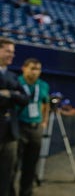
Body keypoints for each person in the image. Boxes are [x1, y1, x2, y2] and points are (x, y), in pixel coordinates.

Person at [15, 58, 50, 196]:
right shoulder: (16, 82)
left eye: (38, 69)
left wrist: (44, 121)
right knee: (13, 163)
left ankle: (26, 192)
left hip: (35, 127)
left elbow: (45, 103)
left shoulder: (43, 85)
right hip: (18, 126)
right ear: (24, 68)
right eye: (32, 68)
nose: (35, 72)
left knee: (31, 164)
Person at [0, 38, 28, 196]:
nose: (12, 55)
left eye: (13, 52)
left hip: (11, 133)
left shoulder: (13, 75)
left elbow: (25, 99)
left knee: (7, 175)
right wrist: (13, 95)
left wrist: (8, 93)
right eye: (8, 51)